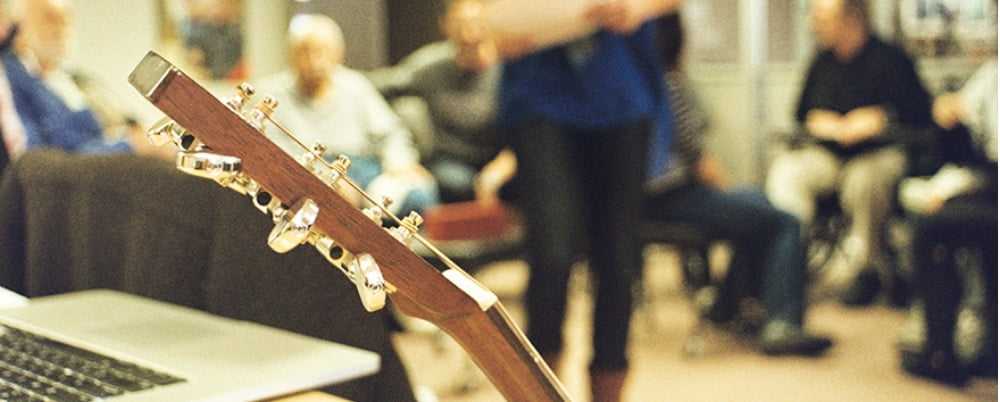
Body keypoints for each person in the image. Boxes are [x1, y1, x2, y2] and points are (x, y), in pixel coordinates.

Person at [446, 1, 680, 400]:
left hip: (621, 94)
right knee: (551, 254)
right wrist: (487, 27)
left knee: (618, 261)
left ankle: (608, 386)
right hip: (539, 93)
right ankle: (539, 390)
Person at [645, 12, 832, 356]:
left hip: (646, 202)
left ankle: (725, 306)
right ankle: (782, 323)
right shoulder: (669, 84)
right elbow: (698, 160)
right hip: (674, 199)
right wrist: (728, 190)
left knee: (756, 207)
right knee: (784, 220)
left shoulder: (638, 85)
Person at [765, 0, 933, 306]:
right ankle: (787, 258)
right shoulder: (821, 61)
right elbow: (801, 113)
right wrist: (821, 122)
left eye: (823, 18)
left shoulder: (892, 59)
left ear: (851, 19)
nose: (814, 25)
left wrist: (881, 118)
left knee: (865, 181)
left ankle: (865, 269)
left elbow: (922, 114)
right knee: (788, 171)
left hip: (877, 153)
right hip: (828, 155)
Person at [262, 14, 438, 215]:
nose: (313, 60)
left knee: (420, 195)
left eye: (321, 51)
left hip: (363, 169)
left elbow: (390, 133)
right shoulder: (273, 94)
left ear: (338, 54)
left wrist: (400, 162)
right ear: (291, 55)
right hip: (308, 173)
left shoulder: (355, 85)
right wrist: (326, 177)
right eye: (305, 52)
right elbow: (273, 149)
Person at [898, 59, 997, 385]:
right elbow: (957, 116)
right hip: (989, 184)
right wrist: (949, 111)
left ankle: (940, 353)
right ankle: (985, 349)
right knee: (938, 216)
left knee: (930, 229)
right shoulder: (992, 72)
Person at [1, 0, 162, 158]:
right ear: (19, 29)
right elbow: (37, 163)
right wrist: (128, 146)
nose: (62, 28)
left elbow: (129, 124)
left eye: (66, 19)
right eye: (50, 19)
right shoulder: (11, 80)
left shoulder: (79, 81)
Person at [367, 40, 507, 203]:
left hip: (498, 158)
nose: (470, 36)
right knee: (456, 184)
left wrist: (496, 173)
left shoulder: (506, 71)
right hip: (449, 159)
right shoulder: (433, 67)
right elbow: (386, 83)